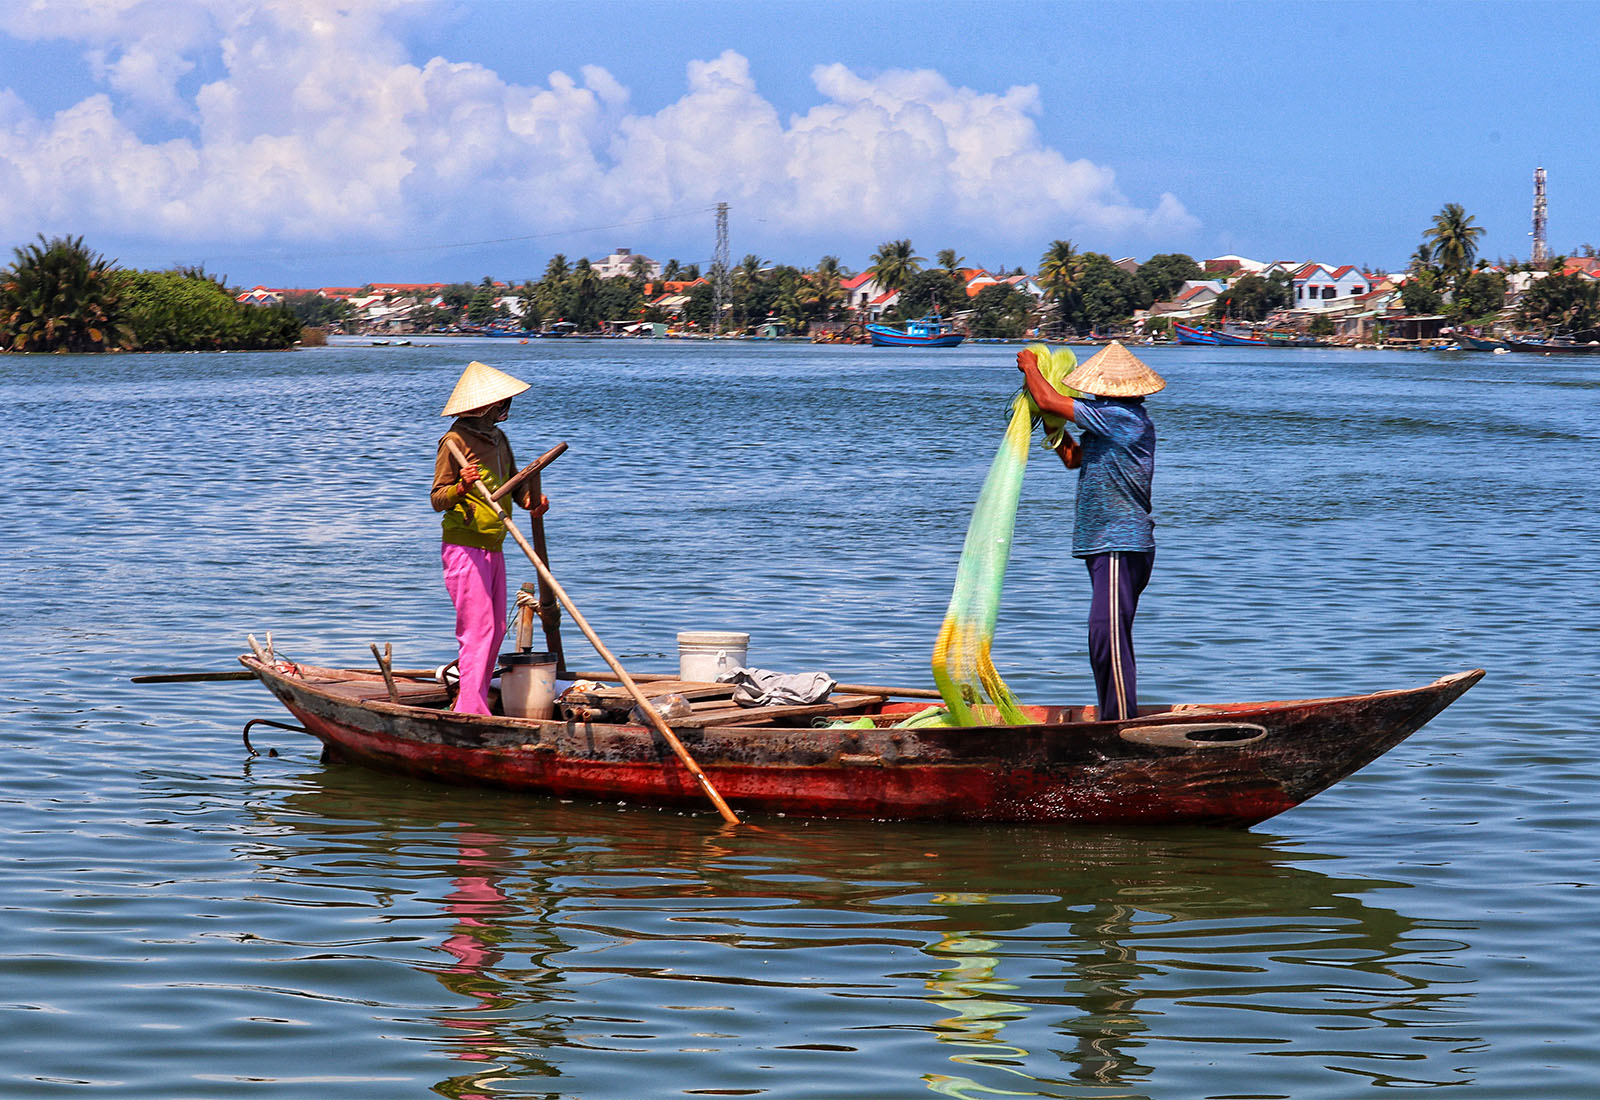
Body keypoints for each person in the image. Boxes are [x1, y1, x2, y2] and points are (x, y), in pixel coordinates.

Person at [1017, 342, 1165, 722]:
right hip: (1104, 543)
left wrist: (1031, 366)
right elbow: (1073, 458)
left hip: (1121, 542)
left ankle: (1118, 725)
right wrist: (1054, 432)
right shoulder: (1105, 422)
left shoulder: (1123, 416)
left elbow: (1049, 398)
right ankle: (1112, 715)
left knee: (1107, 638)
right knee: (1103, 636)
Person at [430, 361, 548, 715]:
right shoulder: (454, 441)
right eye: (501, 403)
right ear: (484, 405)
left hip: (494, 543)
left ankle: (475, 697)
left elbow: (514, 487)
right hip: (464, 544)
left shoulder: (498, 439)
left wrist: (533, 501)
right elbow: (438, 499)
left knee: (495, 628)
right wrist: (462, 485)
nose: (505, 409)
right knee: (477, 629)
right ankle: (470, 708)